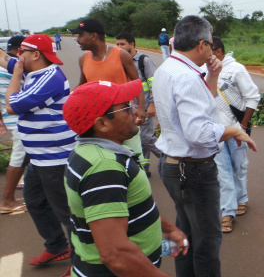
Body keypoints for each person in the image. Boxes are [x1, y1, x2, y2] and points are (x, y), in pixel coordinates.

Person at [153, 15, 257, 277]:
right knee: (207, 242)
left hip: (174, 165)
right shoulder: (187, 76)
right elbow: (199, 132)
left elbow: (201, 102)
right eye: (210, 45)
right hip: (194, 171)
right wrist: (234, 130)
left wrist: (212, 75)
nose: (212, 50)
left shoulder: (168, 68)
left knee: (186, 234)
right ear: (201, 45)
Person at [62, 80, 188, 277]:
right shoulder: (104, 167)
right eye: (127, 108)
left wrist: (168, 228)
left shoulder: (90, 152)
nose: (136, 112)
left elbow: (126, 206)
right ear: (102, 124)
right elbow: (115, 254)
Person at [0, 34, 77, 275]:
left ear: (35, 55)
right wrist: (15, 66)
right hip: (38, 157)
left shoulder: (50, 77)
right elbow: (3, 59)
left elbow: (12, 104)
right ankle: (56, 246)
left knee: (67, 212)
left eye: (21, 51)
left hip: (56, 159)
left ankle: (83, 262)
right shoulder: (31, 70)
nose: (16, 56)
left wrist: (15, 74)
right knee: (35, 201)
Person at [70, 18, 147, 165]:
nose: (78, 40)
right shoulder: (83, 59)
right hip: (99, 123)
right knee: (107, 161)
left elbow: (137, 83)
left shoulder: (121, 55)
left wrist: (141, 108)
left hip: (124, 117)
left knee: (136, 161)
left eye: (80, 35)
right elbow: (81, 87)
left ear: (93, 36)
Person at [209, 37, 261, 233]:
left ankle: (242, 198)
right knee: (222, 171)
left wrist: (244, 125)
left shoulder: (236, 69)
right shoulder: (203, 71)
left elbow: (252, 96)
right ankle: (227, 212)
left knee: (239, 167)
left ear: (219, 51)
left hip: (237, 129)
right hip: (216, 132)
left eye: (209, 50)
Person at [115, 32, 164, 177]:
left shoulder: (144, 61)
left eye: (122, 44)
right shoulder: (119, 61)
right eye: (117, 44)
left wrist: (152, 105)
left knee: (146, 138)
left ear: (132, 44)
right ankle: (145, 167)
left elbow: (154, 83)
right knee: (139, 139)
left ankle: (169, 158)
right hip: (129, 108)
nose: (119, 47)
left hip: (145, 106)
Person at [0, 36, 27, 214]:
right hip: (18, 118)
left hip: (8, 117)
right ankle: (7, 200)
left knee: (26, 155)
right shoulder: (17, 66)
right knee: (20, 155)